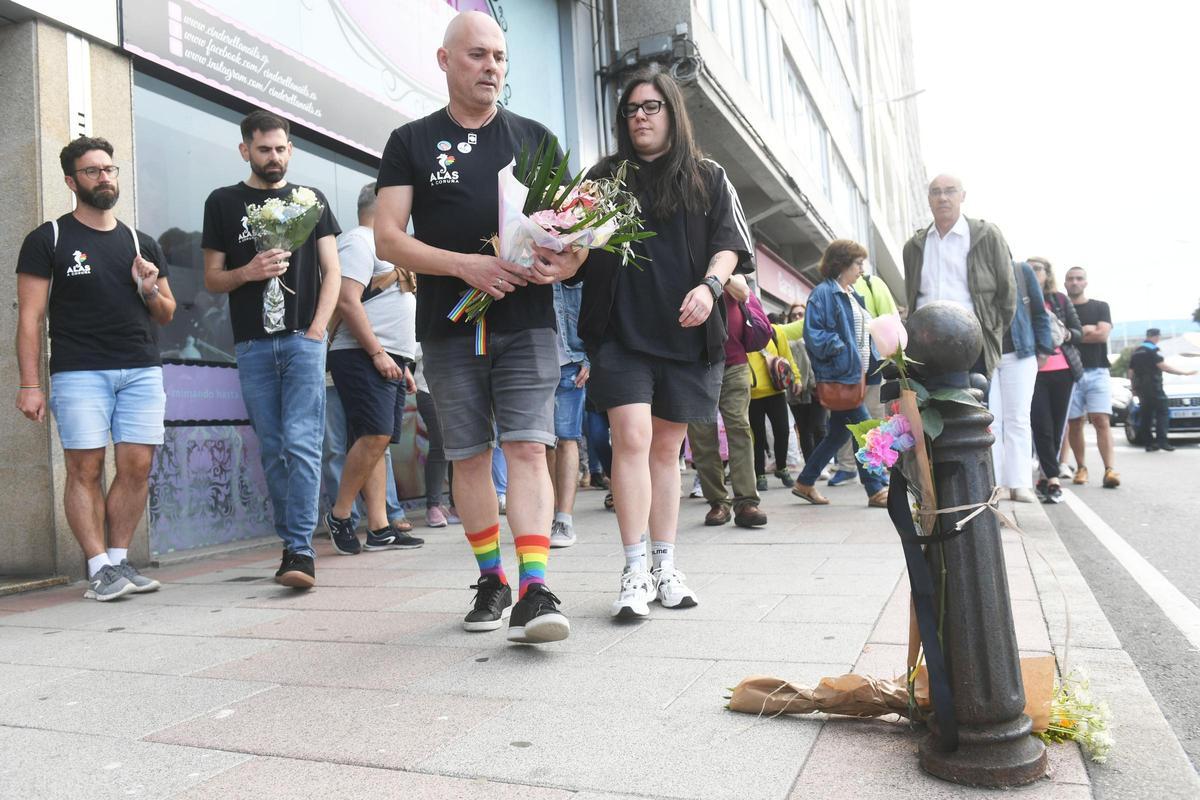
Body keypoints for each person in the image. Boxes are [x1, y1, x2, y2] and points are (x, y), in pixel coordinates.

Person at [374, 11, 584, 643]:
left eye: (499, 57)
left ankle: (534, 588)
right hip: (447, 327)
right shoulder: (410, 141)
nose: (492, 67)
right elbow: (388, 238)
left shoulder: (535, 137)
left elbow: (576, 240)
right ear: (445, 61)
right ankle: (492, 578)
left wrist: (562, 261)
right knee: (467, 458)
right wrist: (464, 264)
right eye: (477, 56)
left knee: (526, 447)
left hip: (526, 324)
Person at [575, 66, 753, 618]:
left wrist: (710, 285)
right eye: (631, 109)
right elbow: (575, 247)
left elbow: (729, 247)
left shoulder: (707, 175)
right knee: (631, 437)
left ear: (673, 112)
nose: (640, 118)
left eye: (651, 107)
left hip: (686, 332)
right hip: (621, 332)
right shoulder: (602, 178)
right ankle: (633, 570)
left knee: (664, 450)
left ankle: (664, 564)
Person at [16, 136, 176, 600]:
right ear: (71, 180)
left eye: (109, 169)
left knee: (137, 467)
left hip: (141, 369)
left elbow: (165, 312)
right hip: (79, 371)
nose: (104, 177)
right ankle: (96, 567)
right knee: (85, 468)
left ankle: (120, 561)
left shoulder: (139, 242)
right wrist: (30, 383)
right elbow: (30, 318)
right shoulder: (50, 238)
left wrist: (148, 287)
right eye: (92, 171)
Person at [202, 110, 341, 588]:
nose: (275, 157)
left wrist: (319, 329)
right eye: (265, 149)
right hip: (253, 344)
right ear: (246, 150)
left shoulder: (311, 200)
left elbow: (333, 272)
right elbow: (212, 278)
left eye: (281, 148)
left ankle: (300, 550)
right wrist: (249, 272)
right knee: (275, 449)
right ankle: (291, 543)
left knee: (303, 443)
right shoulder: (222, 202)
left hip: (304, 339)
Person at [324, 182, 424, 554]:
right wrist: (379, 353)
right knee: (374, 436)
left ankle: (380, 526)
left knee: (378, 439)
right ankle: (340, 514)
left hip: (388, 356)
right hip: (361, 354)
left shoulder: (383, 246)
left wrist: (402, 360)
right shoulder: (358, 240)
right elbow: (348, 302)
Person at [789, 240, 888, 508]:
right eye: (857, 264)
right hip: (840, 375)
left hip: (856, 376)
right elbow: (814, 335)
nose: (861, 269)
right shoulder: (823, 294)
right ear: (842, 264)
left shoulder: (852, 293)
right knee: (865, 430)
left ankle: (805, 482)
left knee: (837, 435)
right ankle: (876, 489)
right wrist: (841, 348)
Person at [903, 174, 1016, 379]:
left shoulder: (986, 235)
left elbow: (1007, 295)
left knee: (972, 409)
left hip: (970, 345)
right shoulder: (914, 246)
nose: (943, 197)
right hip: (923, 346)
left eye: (950, 191)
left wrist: (992, 331)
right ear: (928, 199)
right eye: (936, 192)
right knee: (924, 410)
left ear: (962, 196)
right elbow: (911, 295)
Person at [688, 274, 769, 528]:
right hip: (695, 364)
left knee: (739, 428)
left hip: (734, 363)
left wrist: (717, 273)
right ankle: (718, 502)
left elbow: (743, 292)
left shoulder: (728, 263)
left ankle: (746, 502)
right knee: (702, 434)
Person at [990, 261, 1055, 502]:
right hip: (986, 354)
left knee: (1018, 418)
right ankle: (994, 484)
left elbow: (1038, 312)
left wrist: (1044, 349)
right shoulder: (974, 271)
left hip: (1021, 353)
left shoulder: (1020, 271)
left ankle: (1019, 483)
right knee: (991, 422)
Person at [827, 266, 899, 486]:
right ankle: (847, 467)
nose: (858, 268)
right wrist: (779, 331)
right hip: (844, 367)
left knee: (872, 418)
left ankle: (876, 467)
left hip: (872, 364)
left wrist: (895, 355)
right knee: (843, 419)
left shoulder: (872, 284)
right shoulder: (830, 290)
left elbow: (890, 319)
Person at [1028, 257, 1082, 504]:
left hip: (1062, 371)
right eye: (1027, 267)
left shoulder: (1059, 299)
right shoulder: (1021, 300)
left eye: (1037, 268)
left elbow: (1078, 333)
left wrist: (1065, 333)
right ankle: (1052, 479)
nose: (1032, 271)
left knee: (1058, 427)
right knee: (1041, 425)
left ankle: (1044, 474)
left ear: (1047, 273)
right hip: (1033, 371)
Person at [1062, 267, 1119, 488]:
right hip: (1069, 372)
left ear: (1085, 282)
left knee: (1101, 421)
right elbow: (1057, 336)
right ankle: (1081, 468)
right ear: (1065, 283)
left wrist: (1073, 335)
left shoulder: (1100, 307)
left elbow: (1102, 334)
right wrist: (1085, 331)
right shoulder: (1061, 307)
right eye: (1070, 279)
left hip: (1098, 371)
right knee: (1074, 424)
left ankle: (1110, 470)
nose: (1074, 282)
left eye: (1079, 278)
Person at [547, 281, 589, 548]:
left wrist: (589, 358)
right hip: (530, 361)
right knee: (540, 443)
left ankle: (564, 518)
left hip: (570, 362)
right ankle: (547, 515)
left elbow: (593, 310)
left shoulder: (576, 261)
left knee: (567, 438)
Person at [746, 312, 803, 491]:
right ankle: (759, 473)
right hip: (752, 394)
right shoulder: (742, 333)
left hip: (775, 390)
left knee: (782, 431)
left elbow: (787, 358)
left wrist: (797, 378)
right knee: (758, 436)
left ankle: (782, 467)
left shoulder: (776, 332)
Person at [1130, 328, 1197, 451]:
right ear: (1155, 337)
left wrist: (1133, 387)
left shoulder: (1136, 351)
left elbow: (1131, 371)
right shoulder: (1154, 350)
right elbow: (1163, 366)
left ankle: (1149, 444)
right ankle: (1162, 441)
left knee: (1146, 415)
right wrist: (1183, 373)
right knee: (1163, 412)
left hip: (1141, 388)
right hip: (1154, 386)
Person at [414, 344, 459, 527]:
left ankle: (458, 505)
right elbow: (414, 352)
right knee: (440, 443)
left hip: (461, 391)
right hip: (428, 388)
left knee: (460, 446)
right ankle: (433, 505)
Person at [784, 302, 827, 470]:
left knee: (820, 428)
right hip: (796, 390)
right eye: (794, 315)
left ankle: (821, 465)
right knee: (804, 429)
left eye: (801, 314)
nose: (797, 318)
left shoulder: (816, 334)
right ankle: (811, 467)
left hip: (818, 387)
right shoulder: (787, 338)